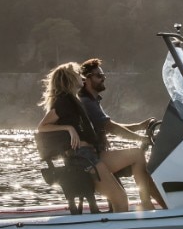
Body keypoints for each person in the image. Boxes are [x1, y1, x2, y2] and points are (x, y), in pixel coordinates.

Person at [36, 62, 130, 212]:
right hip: (84, 160)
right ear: (71, 78)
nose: (82, 77)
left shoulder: (72, 100)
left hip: (87, 155)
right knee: (120, 199)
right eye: (78, 74)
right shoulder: (64, 101)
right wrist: (69, 128)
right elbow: (42, 127)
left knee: (133, 163)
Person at [79, 58, 167, 210]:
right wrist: (141, 138)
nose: (103, 78)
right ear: (86, 79)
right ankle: (146, 204)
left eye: (103, 75)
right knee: (137, 154)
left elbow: (110, 126)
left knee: (143, 172)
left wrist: (139, 126)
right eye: (99, 76)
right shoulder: (87, 102)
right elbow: (111, 127)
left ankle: (166, 207)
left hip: (99, 155)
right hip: (93, 158)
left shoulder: (92, 101)